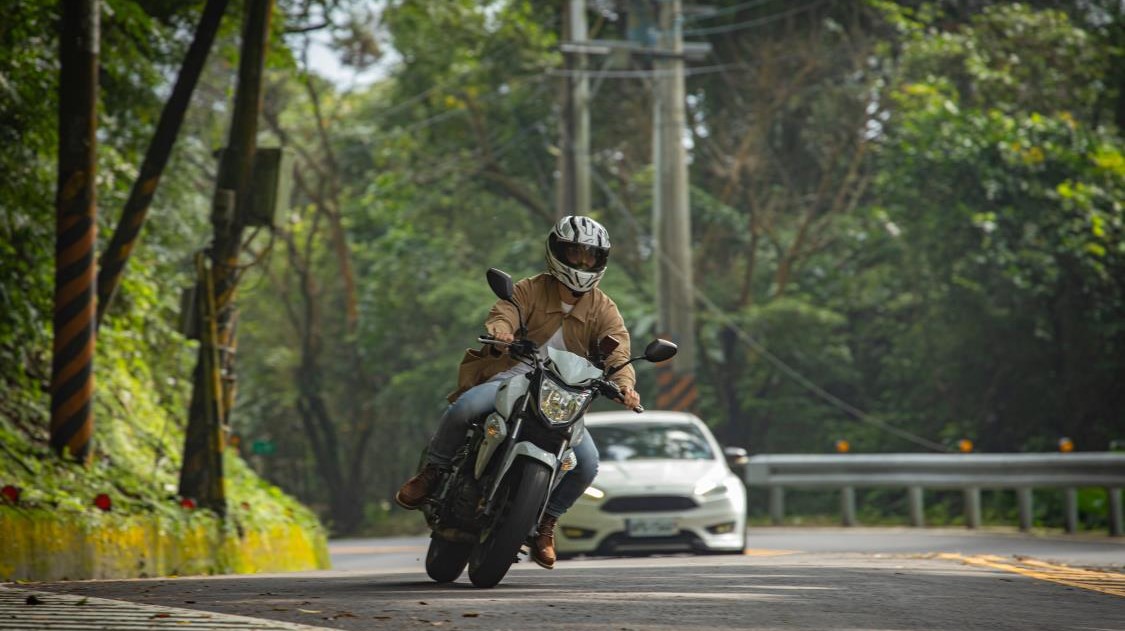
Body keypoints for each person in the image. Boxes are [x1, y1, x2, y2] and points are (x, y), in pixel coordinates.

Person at [394, 215, 641, 569]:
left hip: (564, 395)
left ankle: (546, 523)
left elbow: (618, 351)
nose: (582, 263)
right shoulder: (529, 289)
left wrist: (625, 385)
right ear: (557, 252)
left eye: (590, 256)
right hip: (514, 377)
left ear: (601, 261)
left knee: (587, 464)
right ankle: (432, 472)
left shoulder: (604, 308)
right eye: (575, 253)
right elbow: (505, 311)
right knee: (464, 408)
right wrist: (501, 332)